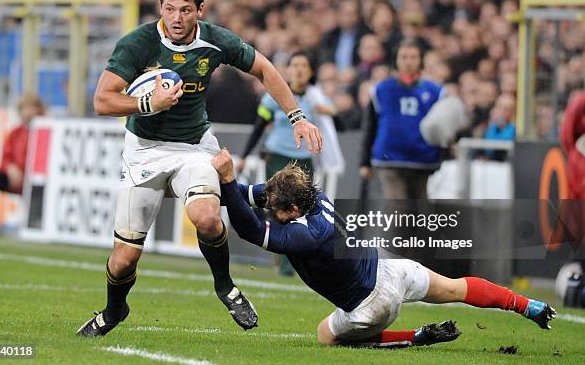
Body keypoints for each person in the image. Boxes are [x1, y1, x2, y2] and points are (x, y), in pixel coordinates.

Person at [76, 0, 322, 337]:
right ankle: (113, 312)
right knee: (125, 258)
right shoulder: (138, 42)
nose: (176, 18)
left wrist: (297, 115)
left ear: (199, 11)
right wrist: (148, 102)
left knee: (206, 218)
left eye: (185, 10)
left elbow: (264, 69)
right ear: (160, 7)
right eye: (169, 8)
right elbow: (102, 100)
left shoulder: (215, 41)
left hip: (194, 146)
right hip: (144, 151)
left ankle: (225, 286)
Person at [211, 149, 556, 347]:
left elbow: (250, 228)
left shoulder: (307, 234)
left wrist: (226, 182)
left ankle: (412, 337)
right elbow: (255, 195)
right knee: (457, 287)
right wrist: (219, 184)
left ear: (295, 210)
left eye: (277, 210)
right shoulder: (316, 197)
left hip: (372, 305)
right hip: (393, 270)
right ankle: (529, 306)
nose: (272, 211)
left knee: (325, 337)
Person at [236, 51, 337, 276]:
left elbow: (336, 120)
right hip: (277, 157)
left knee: (303, 211)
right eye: (295, 65)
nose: (299, 69)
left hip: (304, 161)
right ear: (289, 70)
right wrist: (243, 156)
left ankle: (296, 262)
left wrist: (331, 112)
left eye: (304, 65)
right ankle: (283, 263)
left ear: (310, 72)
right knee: (279, 207)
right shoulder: (277, 96)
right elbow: (259, 125)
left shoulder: (316, 98)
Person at [360, 39, 443, 200]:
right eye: (403, 57)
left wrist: (441, 156)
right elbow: (370, 126)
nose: (408, 62)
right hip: (390, 157)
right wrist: (364, 161)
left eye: (413, 57)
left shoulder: (435, 91)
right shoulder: (381, 90)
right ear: (396, 60)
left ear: (421, 60)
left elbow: (440, 129)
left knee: (420, 211)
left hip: (422, 158)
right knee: (398, 207)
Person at [0, 93, 45, 224]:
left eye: (31, 108)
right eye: (24, 108)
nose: (28, 112)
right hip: (15, 179)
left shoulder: (46, 131)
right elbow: (5, 157)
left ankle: (37, 222)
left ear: (39, 110)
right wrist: (10, 168)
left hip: (37, 180)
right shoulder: (15, 133)